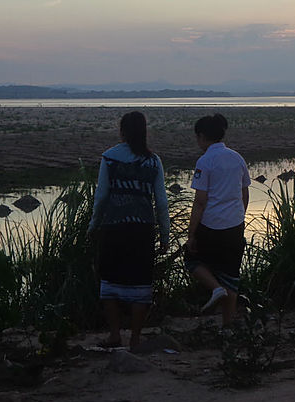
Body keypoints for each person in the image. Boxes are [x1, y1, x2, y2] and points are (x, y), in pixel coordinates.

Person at [88, 111, 169, 350]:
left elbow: (101, 197)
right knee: (140, 284)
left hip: (114, 227)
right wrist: (164, 236)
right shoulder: (153, 161)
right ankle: (135, 339)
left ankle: (115, 335)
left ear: (122, 131)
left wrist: (93, 225)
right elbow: (161, 203)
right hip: (143, 229)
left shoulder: (109, 157)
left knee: (110, 281)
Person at [185, 113, 250, 327]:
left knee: (192, 260)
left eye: (197, 137)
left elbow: (200, 202)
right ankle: (227, 327)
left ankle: (215, 289)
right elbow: (245, 193)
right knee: (231, 276)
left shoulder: (205, 161)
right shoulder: (237, 158)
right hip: (234, 226)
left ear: (202, 136)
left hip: (211, 226)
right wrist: (240, 217)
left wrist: (191, 234)